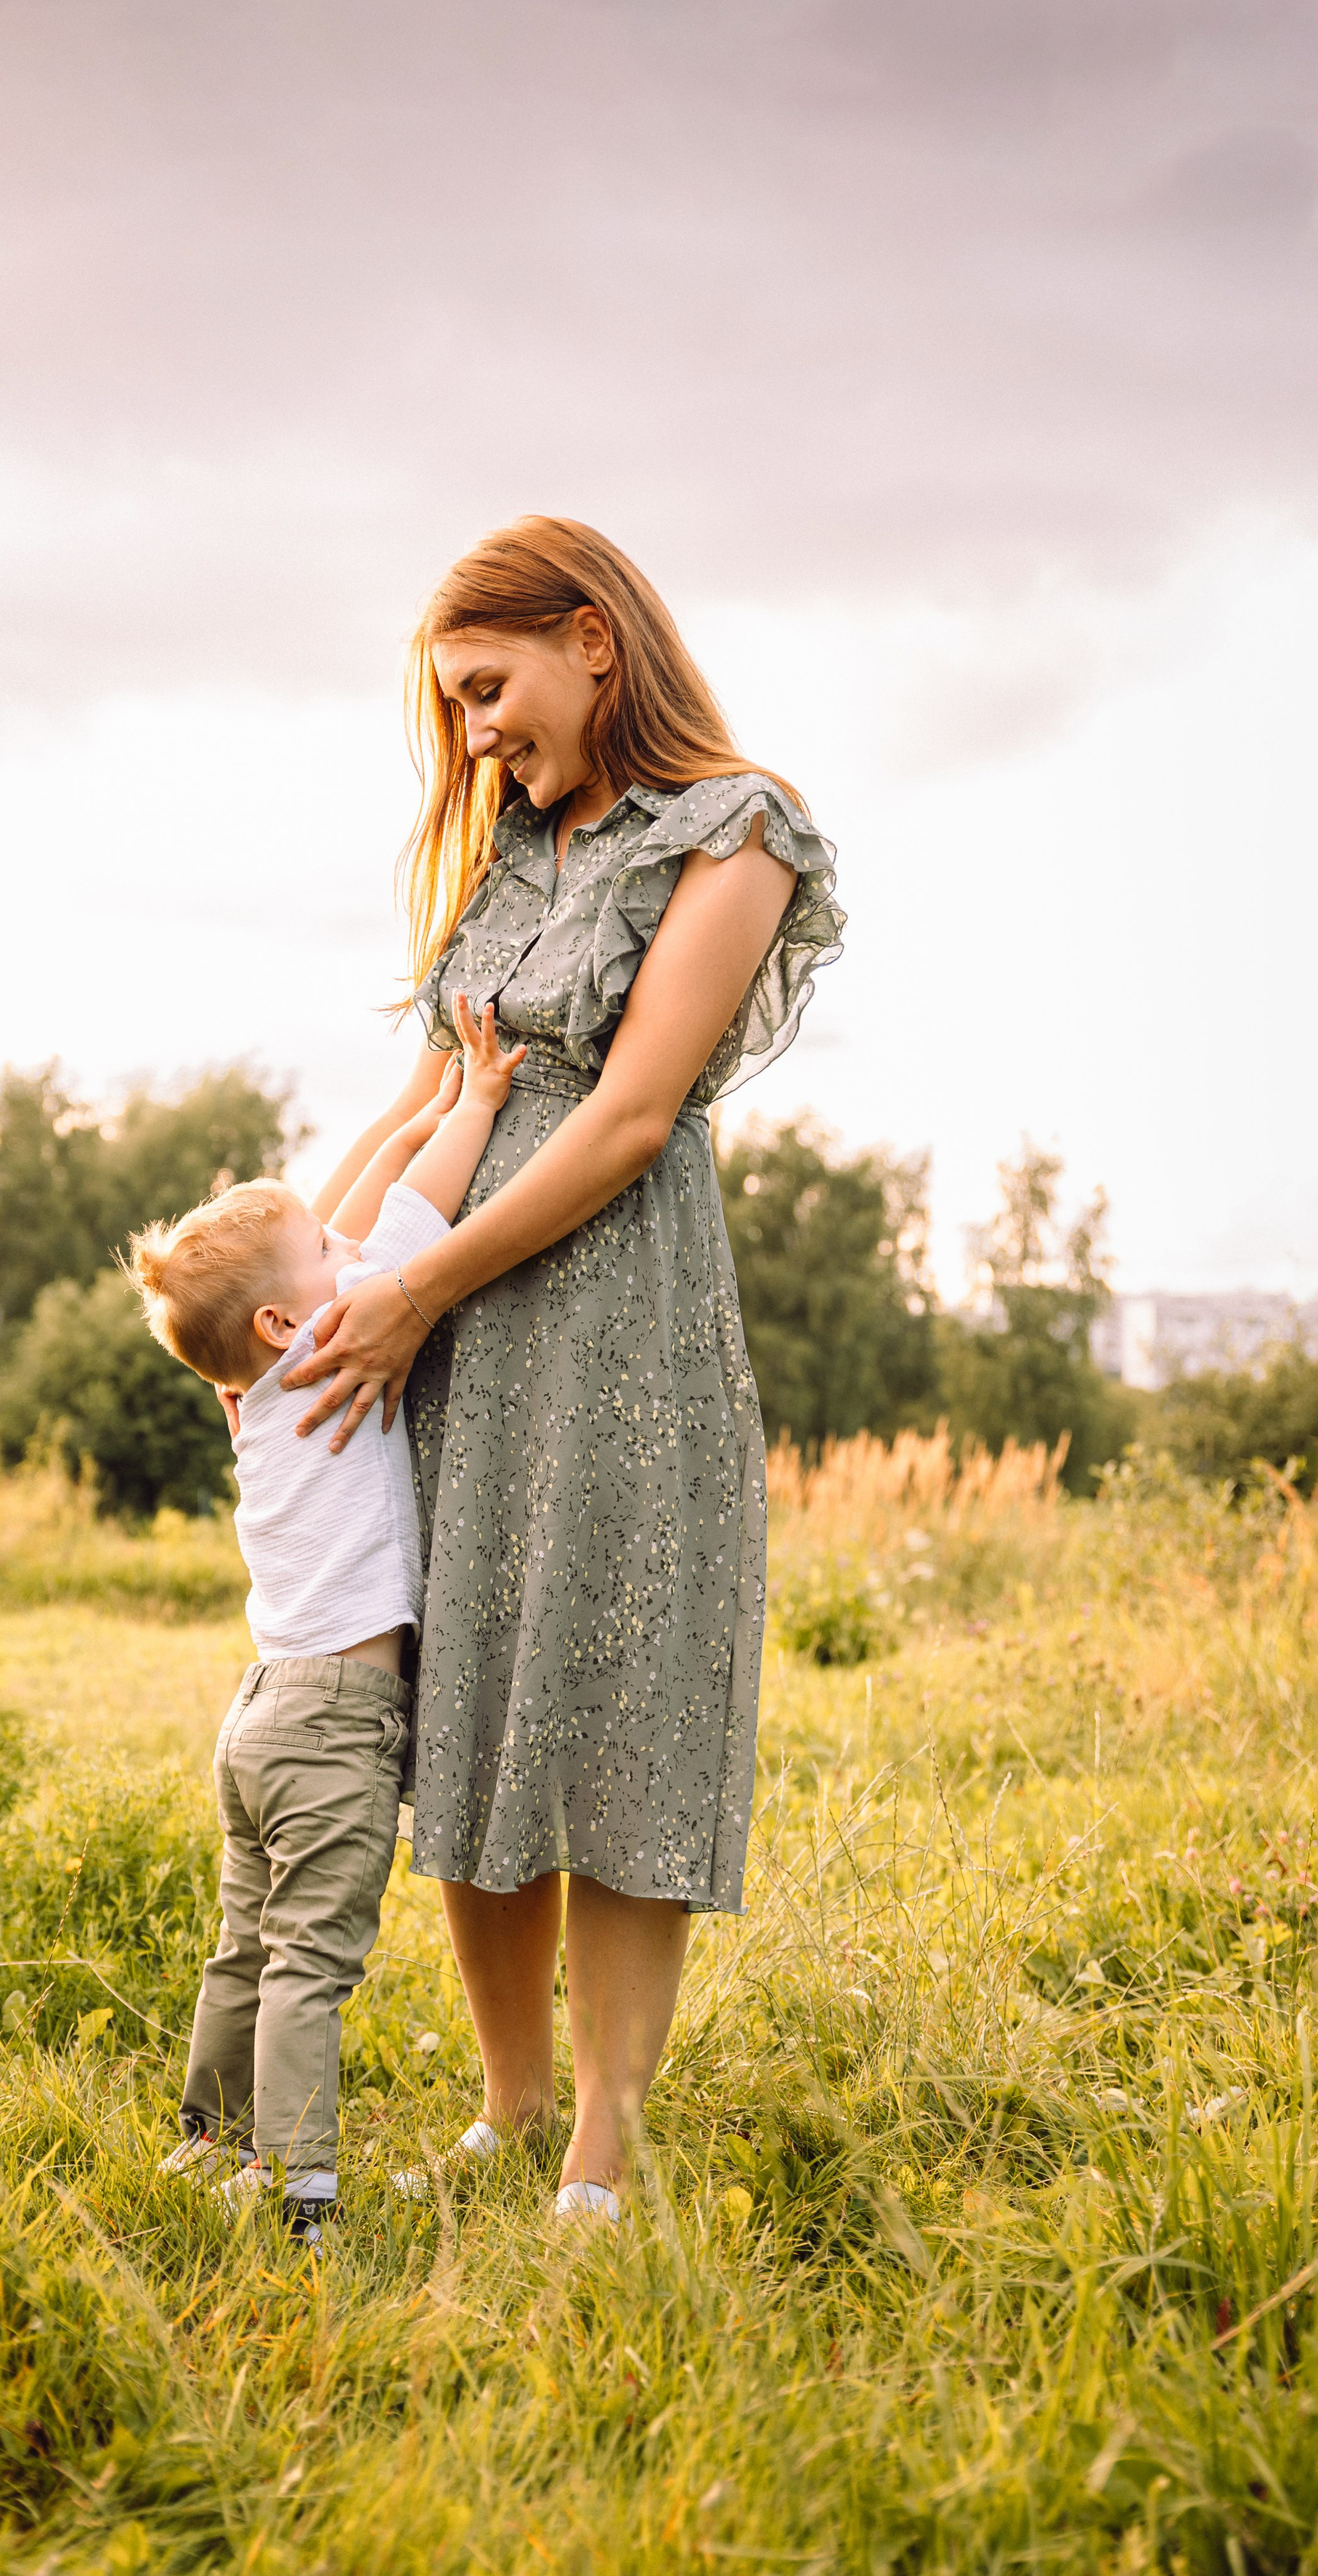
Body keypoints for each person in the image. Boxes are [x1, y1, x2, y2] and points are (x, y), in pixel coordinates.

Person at [284, 516, 845, 2224]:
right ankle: (510, 2103)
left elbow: (627, 1115)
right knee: (468, 1694)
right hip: (438, 1329)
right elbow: (416, 1102)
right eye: (452, 707)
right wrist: (305, 1292)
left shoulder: (731, 829)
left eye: (485, 689)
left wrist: (411, 1287)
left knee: (613, 1704)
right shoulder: (510, 858)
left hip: (616, 1330)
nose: (472, 738)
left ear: (591, 639)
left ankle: (603, 2138)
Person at [126, 996, 526, 2243]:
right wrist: (476, 1102)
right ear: (286, 1322)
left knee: (244, 1946)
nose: (343, 1246)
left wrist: (415, 1106)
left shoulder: (256, 1391)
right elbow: (413, 1217)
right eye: (322, 1254)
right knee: (311, 1959)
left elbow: (353, 1204)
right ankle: (299, 2187)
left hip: (259, 1715)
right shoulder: (336, 1340)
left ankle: (208, 2142)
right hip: (336, 1721)